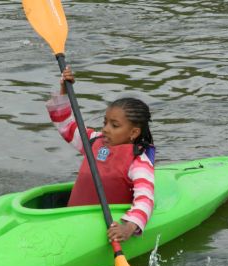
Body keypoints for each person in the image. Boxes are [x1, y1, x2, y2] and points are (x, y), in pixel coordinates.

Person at [46, 66, 155, 243]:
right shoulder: (94, 141)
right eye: (105, 123)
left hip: (102, 229)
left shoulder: (139, 162)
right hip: (71, 220)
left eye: (115, 125)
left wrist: (128, 227)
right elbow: (65, 125)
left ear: (133, 133)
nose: (105, 129)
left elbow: (144, 199)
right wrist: (64, 90)